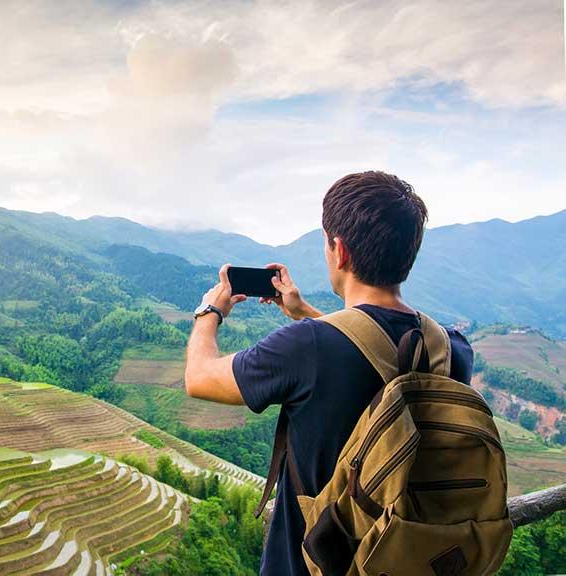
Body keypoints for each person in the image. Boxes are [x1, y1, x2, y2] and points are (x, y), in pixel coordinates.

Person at [183, 171, 474, 575]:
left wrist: (209, 311)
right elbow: (378, 353)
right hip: (410, 558)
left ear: (339, 251)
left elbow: (199, 377)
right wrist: (303, 311)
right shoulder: (450, 348)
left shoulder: (307, 348)